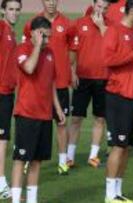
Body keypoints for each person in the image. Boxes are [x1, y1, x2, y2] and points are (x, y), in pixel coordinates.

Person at [11, 16, 66, 203]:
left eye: (49, 37)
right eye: (44, 36)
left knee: (36, 161)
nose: (47, 41)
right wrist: (37, 46)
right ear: (35, 33)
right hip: (26, 114)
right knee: (21, 159)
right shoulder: (23, 49)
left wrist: (58, 109)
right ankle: (17, 199)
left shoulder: (49, 52)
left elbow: (51, 82)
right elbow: (29, 68)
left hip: (44, 115)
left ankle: (32, 200)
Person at [102, 0, 133, 202]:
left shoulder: (131, 33)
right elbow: (107, 59)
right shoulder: (114, 31)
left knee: (127, 147)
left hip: (132, 96)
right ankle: (109, 194)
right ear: (132, 11)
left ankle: (118, 193)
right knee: (118, 146)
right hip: (118, 97)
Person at [22, 0, 75, 175]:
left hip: (59, 83)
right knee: (34, 123)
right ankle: (27, 158)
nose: (51, 3)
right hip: (38, 85)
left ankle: (62, 161)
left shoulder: (67, 23)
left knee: (61, 122)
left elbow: (72, 50)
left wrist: (72, 71)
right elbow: (24, 49)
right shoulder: (32, 23)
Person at [67, 0, 111, 169]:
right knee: (76, 118)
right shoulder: (79, 24)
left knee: (100, 118)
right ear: (93, 4)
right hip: (83, 78)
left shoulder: (110, 26)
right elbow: (72, 50)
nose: (101, 10)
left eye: (105, 8)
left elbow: (114, 45)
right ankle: (69, 157)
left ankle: (93, 156)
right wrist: (72, 72)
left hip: (104, 78)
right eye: (99, 6)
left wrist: (101, 27)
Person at [0, 0, 21, 199]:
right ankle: (1, 184)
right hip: (1, 92)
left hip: (7, 91)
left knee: (3, 138)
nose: (14, 13)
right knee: (2, 139)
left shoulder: (11, 34)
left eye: (17, 10)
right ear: (3, 11)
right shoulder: (1, 28)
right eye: (10, 9)